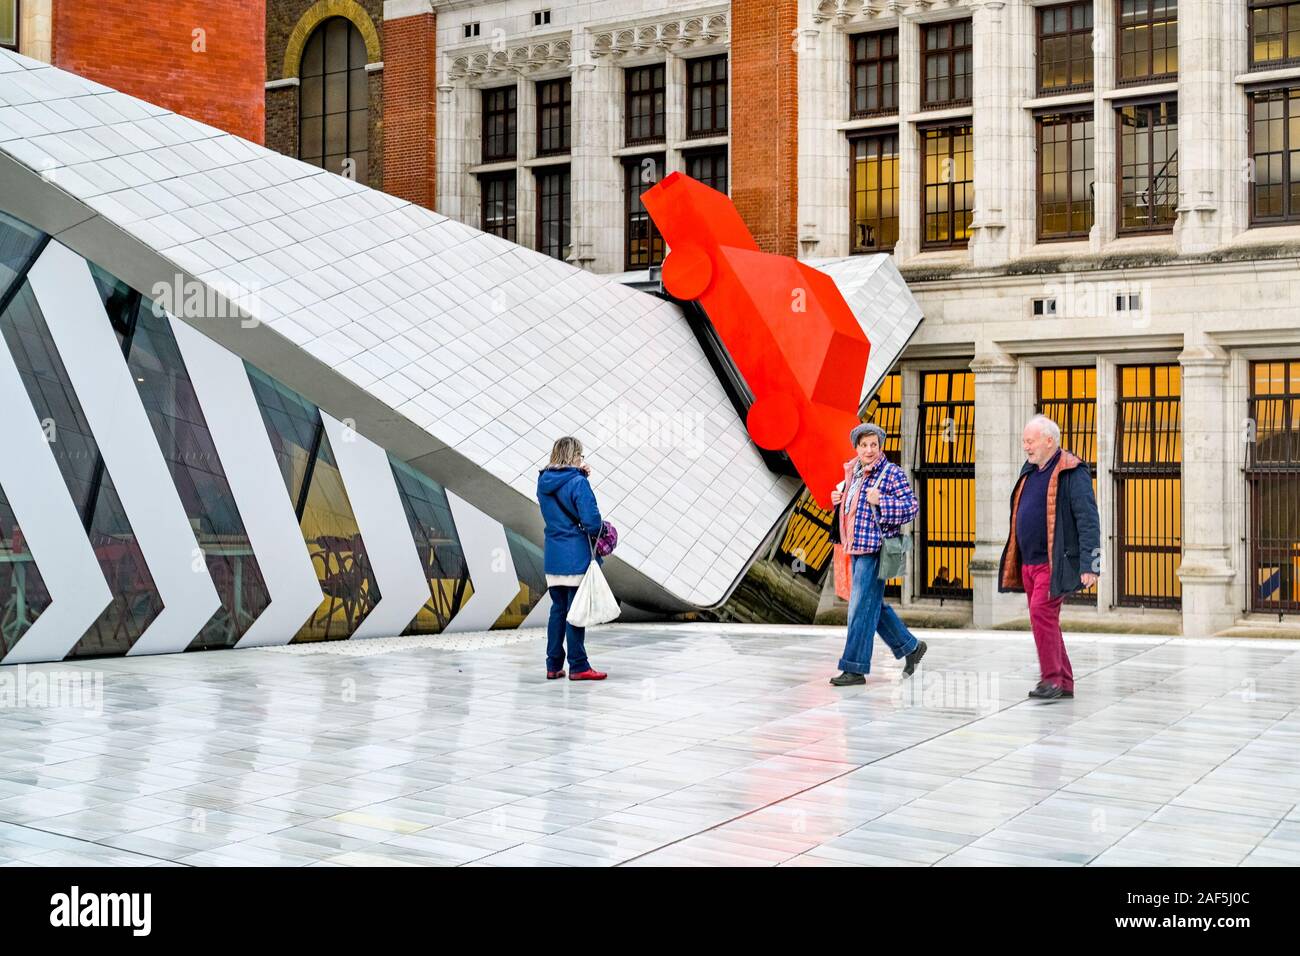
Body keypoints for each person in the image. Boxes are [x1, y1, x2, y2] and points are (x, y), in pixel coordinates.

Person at [998, 414, 1100, 702]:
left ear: (1049, 441)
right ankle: (1064, 682)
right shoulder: (1029, 470)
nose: (1026, 447)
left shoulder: (1072, 470)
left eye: (1030, 441)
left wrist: (1092, 566)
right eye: (1024, 442)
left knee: (1041, 614)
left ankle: (1051, 679)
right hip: (1029, 561)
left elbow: (1089, 519)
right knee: (1046, 619)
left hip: (1054, 562)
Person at [829, 422, 928, 686]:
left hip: (875, 549)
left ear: (880, 446)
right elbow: (852, 509)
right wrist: (839, 500)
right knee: (872, 605)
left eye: (874, 444)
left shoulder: (890, 473)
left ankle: (855, 668)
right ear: (857, 447)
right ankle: (910, 647)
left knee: (860, 608)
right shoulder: (855, 473)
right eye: (864, 445)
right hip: (856, 548)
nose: (869, 450)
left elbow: (911, 507)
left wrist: (881, 501)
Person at [537, 436, 608, 681]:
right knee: (575, 611)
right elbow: (591, 521)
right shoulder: (578, 482)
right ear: (574, 455)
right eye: (581, 454)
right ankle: (578, 666)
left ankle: (553, 665)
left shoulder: (542, 481)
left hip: (553, 555)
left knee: (558, 611)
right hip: (575, 555)